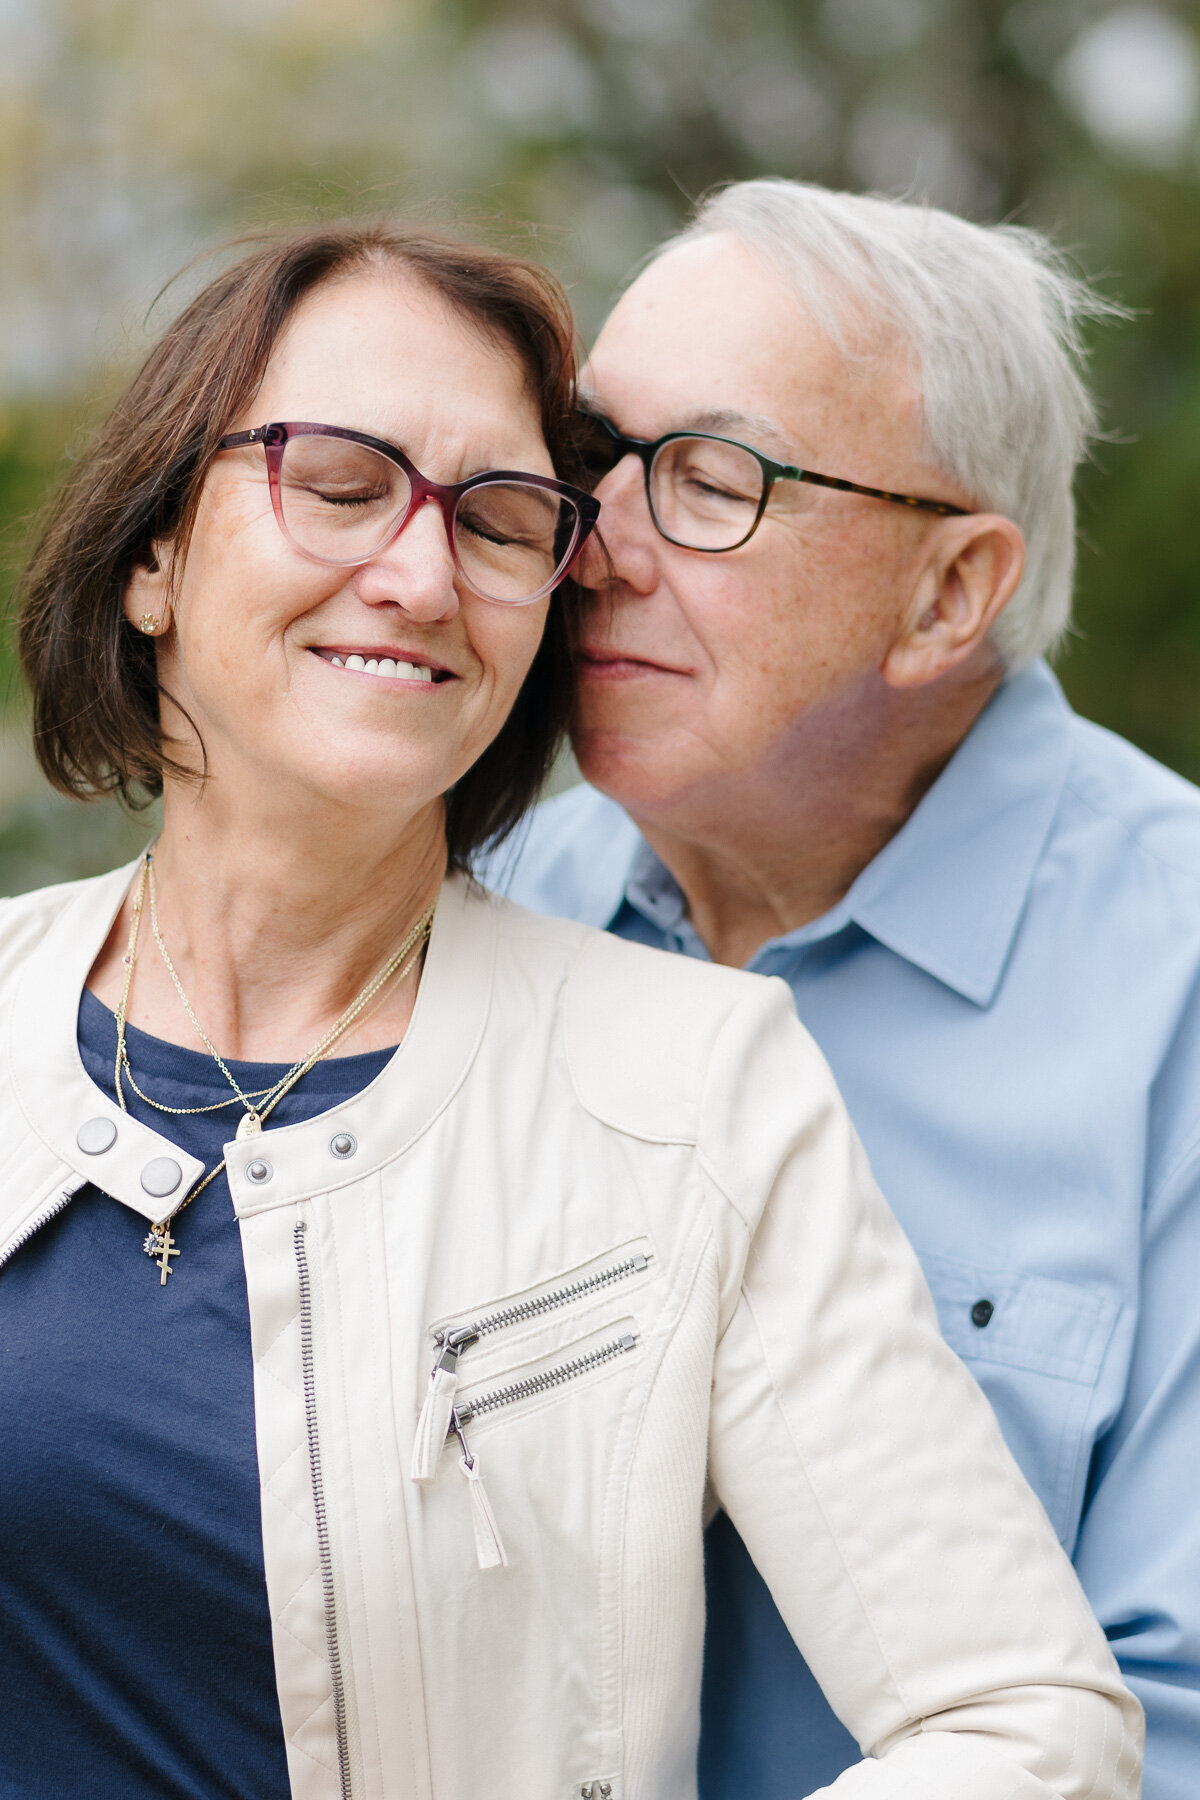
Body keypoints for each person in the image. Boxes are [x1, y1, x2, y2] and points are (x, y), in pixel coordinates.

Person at [0, 222, 1139, 1800]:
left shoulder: (696, 1083)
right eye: (337, 481)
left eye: (498, 517)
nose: (417, 574)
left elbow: (1034, 1728)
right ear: (153, 558)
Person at [485, 177, 1200, 1800]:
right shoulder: (494, 907)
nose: (596, 549)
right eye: (597, 463)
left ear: (950, 593)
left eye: (715, 484)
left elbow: (1167, 1733)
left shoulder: (1180, 986)